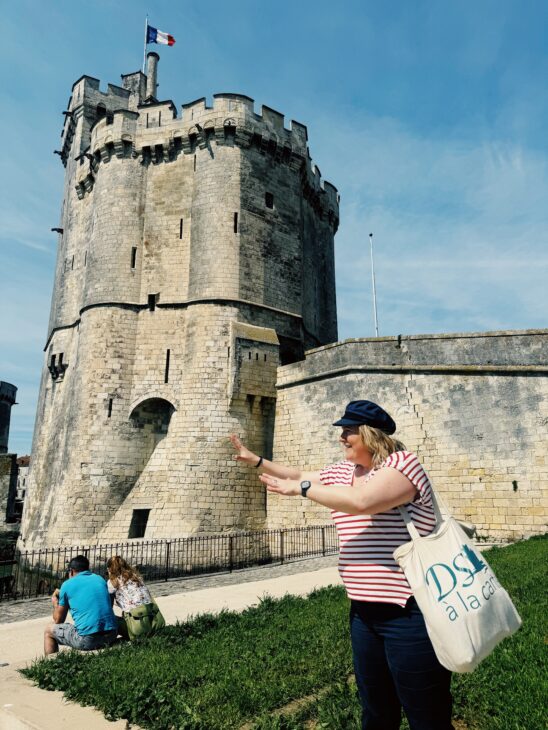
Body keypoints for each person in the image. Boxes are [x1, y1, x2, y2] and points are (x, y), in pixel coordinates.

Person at [230, 400, 454, 730]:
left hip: (410, 613)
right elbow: (297, 474)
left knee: (427, 714)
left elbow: (362, 502)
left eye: (349, 431)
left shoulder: (402, 465)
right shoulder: (342, 473)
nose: (342, 437)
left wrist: (303, 490)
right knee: (376, 711)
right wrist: (257, 460)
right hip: (363, 614)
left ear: (370, 435)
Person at [44, 554, 117, 655]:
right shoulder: (100, 579)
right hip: (111, 635)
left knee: (49, 630)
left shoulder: (67, 585)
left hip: (88, 640)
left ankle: (51, 665)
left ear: (71, 571)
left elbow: (58, 620)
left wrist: (55, 602)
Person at [106, 555, 165, 640]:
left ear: (109, 569)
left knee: (111, 618)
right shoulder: (136, 577)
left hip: (137, 626)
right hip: (152, 621)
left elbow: (109, 606)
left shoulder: (112, 582)